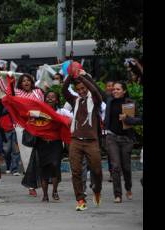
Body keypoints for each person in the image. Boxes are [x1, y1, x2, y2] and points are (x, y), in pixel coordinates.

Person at [62, 62, 103, 211]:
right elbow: (64, 90)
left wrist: (83, 77)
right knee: (76, 172)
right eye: (78, 90)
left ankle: (97, 190)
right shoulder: (75, 101)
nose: (81, 91)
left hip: (92, 142)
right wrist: (71, 77)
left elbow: (94, 90)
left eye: (83, 89)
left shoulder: (96, 101)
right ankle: (80, 199)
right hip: (76, 141)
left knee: (97, 171)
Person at [0, 72, 44, 197]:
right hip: (22, 127)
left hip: (38, 126)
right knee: (27, 156)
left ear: (32, 82)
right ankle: (31, 186)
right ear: (20, 83)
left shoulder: (38, 92)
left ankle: (42, 180)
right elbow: (5, 90)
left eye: (28, 80)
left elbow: (44, 108)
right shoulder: (17, 92)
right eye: (23, 80)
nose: (26, 82)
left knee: (40, 154)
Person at [104, 81, 142, 203]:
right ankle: (117, 194)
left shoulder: (130, 103)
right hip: (112, 137)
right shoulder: (110, 101)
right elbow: (96, 91)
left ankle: (128, 187)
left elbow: (139, 119)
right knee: (115, 167)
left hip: (126, 139)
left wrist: (128, 119)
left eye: (118, 89)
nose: (115, 91)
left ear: (124, 91)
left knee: (126, 167)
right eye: (114, 89)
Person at [36, 91, 73, 202]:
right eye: (48, 97)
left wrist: (64, 122)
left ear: (57, 100)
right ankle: (45, 195)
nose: (50, 99)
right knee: (44, 168)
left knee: (55, 166)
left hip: (56, 143)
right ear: (45, 99)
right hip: (42, 143)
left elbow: (73, 119)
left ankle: (55, 191)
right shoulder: (39, 111)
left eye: (53, 97)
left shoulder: (62, 111)